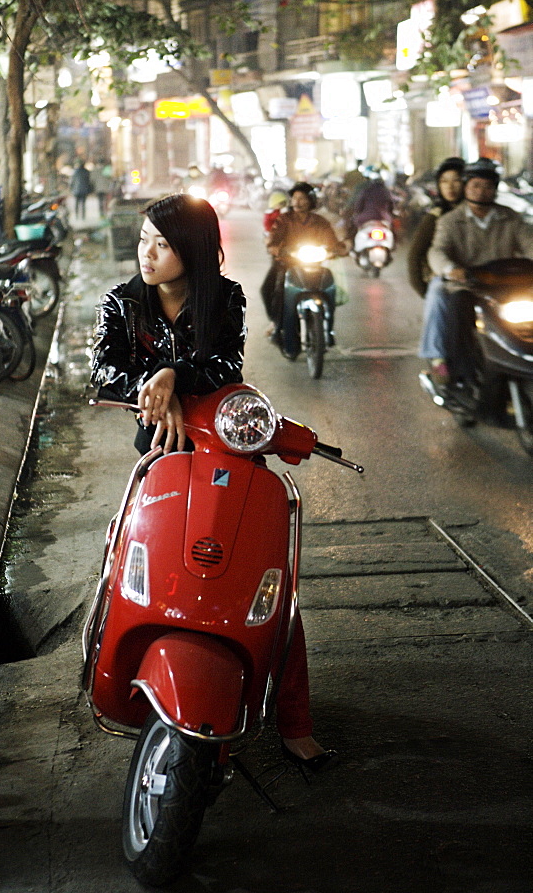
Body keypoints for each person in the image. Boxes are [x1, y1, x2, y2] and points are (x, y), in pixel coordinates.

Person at [91, 192, 336, 767]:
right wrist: (153, 388)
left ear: (193, 250)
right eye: (143, 239)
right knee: (127, 557)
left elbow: (227, 363)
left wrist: (172, 376)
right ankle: (112, 672)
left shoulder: (226, 296)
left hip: (229, 444)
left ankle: (293, 719)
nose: (146, 253)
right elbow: (104, 370)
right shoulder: (121, 302)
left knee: (267, 584)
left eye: (162, 243)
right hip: (161, 448)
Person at [420, 157, 533, 386]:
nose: (482, 191)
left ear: (495, 189)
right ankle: (462, 374)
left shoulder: (510, 217)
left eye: (488, 186)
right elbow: (437, 252)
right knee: (458, 306)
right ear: (466, 187)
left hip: (507, 285)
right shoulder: (451, 221)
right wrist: (452, 269)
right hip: (469, 285)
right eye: (476, 185)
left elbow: (529, 242)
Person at [262, 182, 346, 356]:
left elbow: (332, 241)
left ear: (311, 201)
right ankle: (278, 327)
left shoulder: (320, 222)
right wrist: (276, 248)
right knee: (269, 289)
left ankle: (328, 331)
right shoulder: (284, 219)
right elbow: (273, 240)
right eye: (295, 198)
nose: (298, 202)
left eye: (302, 198)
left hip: (316, 265)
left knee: (330, 287)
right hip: (287, 265)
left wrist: (338, 248)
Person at [407, 158, 465, 297]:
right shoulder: (435, 216)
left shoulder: (475, 214)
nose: (450, 187)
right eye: (444, 181)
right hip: (446, 285)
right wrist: (424, 291)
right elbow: (415, 255)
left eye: (456, 180)